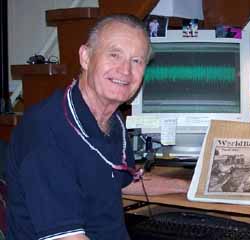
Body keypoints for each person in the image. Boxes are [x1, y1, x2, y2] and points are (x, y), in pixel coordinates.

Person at [5, 14, 188, 240]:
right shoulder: (46, 131)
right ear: (86, 57)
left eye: (136, 60)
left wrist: (188, 187)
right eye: (114, 55)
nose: (125, 71)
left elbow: (123, 180)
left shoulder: (113, 119)